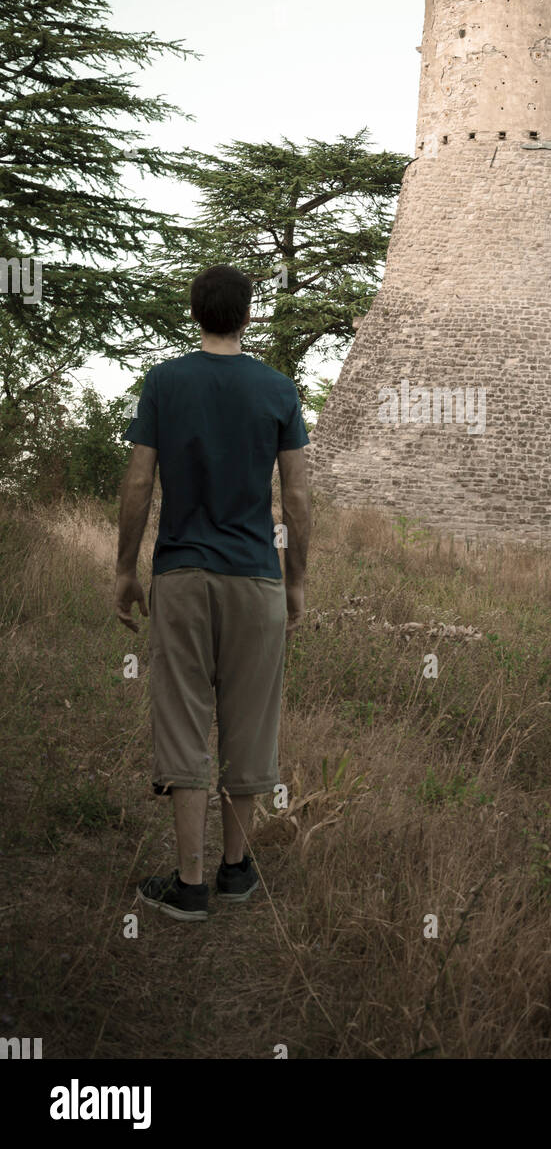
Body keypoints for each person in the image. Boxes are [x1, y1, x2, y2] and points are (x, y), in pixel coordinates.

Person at [114, 264, 312, 921]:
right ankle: (235, 870)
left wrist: (125, 569)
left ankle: (189, 884)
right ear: (247, 316)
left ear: (194, 313)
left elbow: (138, 483)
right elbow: (300, 498)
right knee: (250, 724)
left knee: (183, 720)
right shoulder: (280, 390)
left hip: (181, 575)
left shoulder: (165, 382)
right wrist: (299, 580)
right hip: (257, 580)